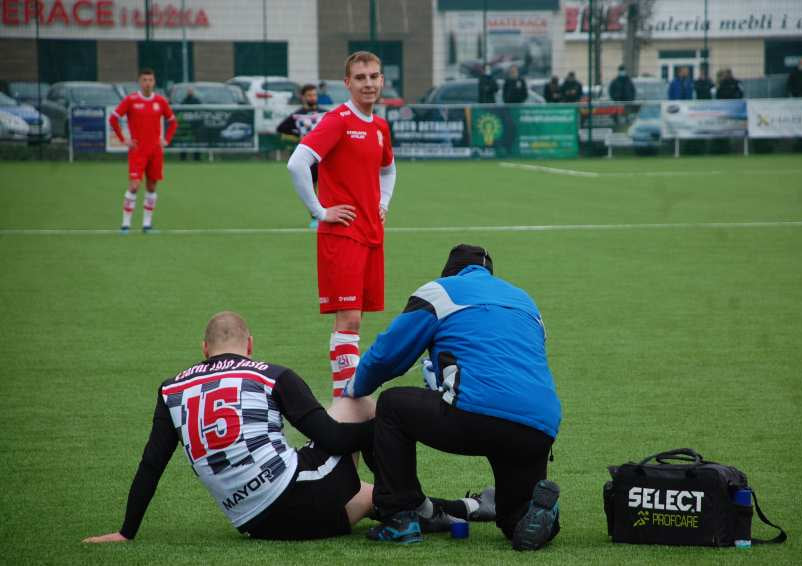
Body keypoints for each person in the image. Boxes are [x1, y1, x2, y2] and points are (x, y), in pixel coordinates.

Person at [82, 311, 377, 543]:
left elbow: (151, 463)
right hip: (299, 499)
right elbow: (333, 439)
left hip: (259, 525)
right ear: (249, 344)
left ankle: (413, 508)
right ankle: (404, 495)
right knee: (355, 402)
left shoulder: (171, 390)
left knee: (375, 497)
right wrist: (382, 428)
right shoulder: (272, 375)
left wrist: (126, 531)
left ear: (204, 349)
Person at [343, 244, 562, 551]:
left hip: (477, 413)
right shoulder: (524, 301)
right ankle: (539, 513)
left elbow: (387, 356)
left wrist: (353, 388)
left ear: (449, 272)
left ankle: (399, 517)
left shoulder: (441, 292)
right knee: (514, 519)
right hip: (539, 427)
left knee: (392, 405)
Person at [286, 52, 396, 403]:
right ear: (347, 83)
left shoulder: (379, 127)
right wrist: (319, 210)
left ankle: (348, 400)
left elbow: (388, 169)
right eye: (360, 77)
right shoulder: (338, 120)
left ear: (381, 81)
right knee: (348, 320)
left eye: (374, 77)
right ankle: (345, 404)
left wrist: (383, 203)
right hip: (343, 234)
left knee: (357, 321)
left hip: (370, 234)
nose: (368, 83)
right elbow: (297, 162)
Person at [109, 68, 177, 234]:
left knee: (152, 187)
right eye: (145, 80)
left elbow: (173, 121)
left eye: (150, 80)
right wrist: (124, 139)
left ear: (154, 82)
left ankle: (147, 225)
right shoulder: (131, 100)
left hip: (155, 152)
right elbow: (113, 118)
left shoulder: (160, 101)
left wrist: (166, 139)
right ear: (140, 82)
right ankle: (125, 225)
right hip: (138, 151)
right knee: (134, 186)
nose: (148, 83)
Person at [278, 84, 328, 229]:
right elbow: (281, 128)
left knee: (327, 188)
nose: (313, 98)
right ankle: (315, 217)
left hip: (325, 156)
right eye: (310, 95)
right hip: (309, 157)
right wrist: (298, 135)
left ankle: (327, 215)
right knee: (311, 187)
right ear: (303, 97)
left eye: (314, 95)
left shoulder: (326, 114)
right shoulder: (297, 114)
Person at [179, 87, 201, 162]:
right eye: (189, 91)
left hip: (195, 125)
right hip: (186, 125)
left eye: (191, 91)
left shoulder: (197, 100)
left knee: (196, 141)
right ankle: (183, 157)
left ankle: (197, 157)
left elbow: (200, 111)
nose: (190, 92)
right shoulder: (184, 100)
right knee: (184, 142)